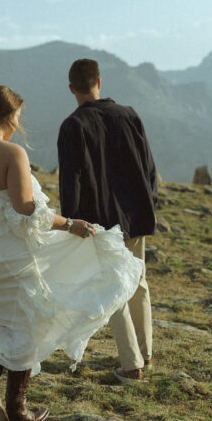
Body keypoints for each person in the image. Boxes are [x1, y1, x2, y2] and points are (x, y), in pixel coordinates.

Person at [0, 85, 144, 421]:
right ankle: (18, 410)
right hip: (9, 259)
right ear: (6, 117)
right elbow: (27, 210)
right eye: (17, 117)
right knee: (32, 322)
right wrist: (71, 224)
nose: (17, 124)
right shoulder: (11, 154)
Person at [58, 59, 158, 383]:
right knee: (137, 284)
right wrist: (150, 203)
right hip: (136, 213)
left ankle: (131, 365)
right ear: (99, 81)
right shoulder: (129, 115)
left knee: (113, 288)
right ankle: (146, 353)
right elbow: (148, 166)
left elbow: (70, 180)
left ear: (72, 88)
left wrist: (72, 222)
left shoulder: (73, 126)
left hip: (100, 222)